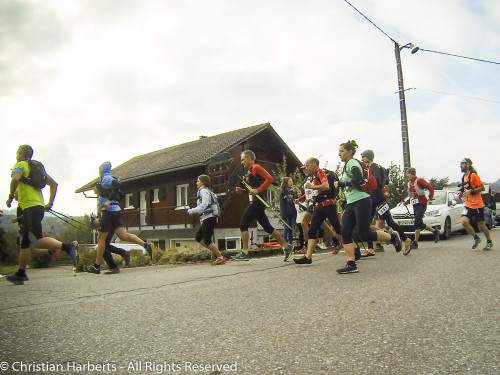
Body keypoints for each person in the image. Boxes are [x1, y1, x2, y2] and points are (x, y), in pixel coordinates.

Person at [5, 145, 77, 285]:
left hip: (30, 208)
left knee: (37, 240)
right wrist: (50, 203)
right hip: (38, 206)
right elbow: (54, 184)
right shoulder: (38, 168)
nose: (16, 155)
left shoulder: (19, 165)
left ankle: (68, 247)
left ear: (21, 154)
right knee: (25, 241)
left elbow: (15, 179)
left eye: (17, 153)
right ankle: (21, 273)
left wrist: (10, 197)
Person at [334, 141, 401, 274]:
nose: (339, 154)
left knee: (365, 233)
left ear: (349, 152)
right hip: (352, 202)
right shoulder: (347, 165)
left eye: (341, 151)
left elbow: (358, 178)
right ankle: (351, 263)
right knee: (345, 232)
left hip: (362, 200)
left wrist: (341, 183)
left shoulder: (352, 162)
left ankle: (391, 237)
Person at [83, 161, 152, 274]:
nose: (98, 172)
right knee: (123, 235)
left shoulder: (105, 179)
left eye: (99, 170)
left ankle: (96, 267)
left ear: (102, 170)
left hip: (109, 212)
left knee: (101, 240)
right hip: (117, 211)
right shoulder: (110, 177)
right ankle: (145, 244)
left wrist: (108, 201)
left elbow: (117, 185)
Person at [231, 150, 293, 261]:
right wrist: (243, 191)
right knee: (268, 228)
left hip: (259, 201)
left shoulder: (256, 167)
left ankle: (245, 252)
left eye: (243, 159)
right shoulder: (250, 172)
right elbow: (253, 189)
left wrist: (258, 190)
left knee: (243, 224)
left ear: (250, 158)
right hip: (257, 201)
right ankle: (287, 246)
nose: (241, 162)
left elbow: (270, 179)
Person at [360, 150, 412, 256]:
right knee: (367, 224)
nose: (362, 159)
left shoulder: (374, 168)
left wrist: (366, 183)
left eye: (364, 157)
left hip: (377, 199)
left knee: (389, 222)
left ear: (369, 157)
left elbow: (378, 182)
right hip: (373, 198)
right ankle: (370, 248)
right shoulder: (373, 168)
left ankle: (405, 239)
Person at [294, 158, 342, 265]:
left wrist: (312, 186)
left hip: (327, 205)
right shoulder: (312, 176)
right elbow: (311, 192)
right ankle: (308, 257)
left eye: (307, 165)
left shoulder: (320, 173)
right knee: (312, 230)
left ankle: (354, 248)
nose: (305, 168)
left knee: (338, 229)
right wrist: (302, 197)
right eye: (304, 166)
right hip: (318, 206)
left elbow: (326, 186)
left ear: (314, 164)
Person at [187, 174, 227, 265]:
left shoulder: (203, 191)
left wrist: (192, 210)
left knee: (207, 240)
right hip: (208, 217)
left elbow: (204, 205)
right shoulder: (209, 191)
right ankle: (214, 251)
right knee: (198, 238)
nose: (196, 183)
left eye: (198, 181)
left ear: (203, 182)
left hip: (209, 217)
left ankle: (220, 257)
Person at [458, 158, 493, 251]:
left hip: (477, 204)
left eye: (463, 164)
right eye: (460, 164)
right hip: (468, 204)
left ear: (468, 164)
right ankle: (476, 238)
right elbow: (465, 189)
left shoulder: (473, 175)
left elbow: (482, 188)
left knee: (481, 224)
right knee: (464, 222)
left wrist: (471, 191)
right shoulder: (463, 177)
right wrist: (461, 194)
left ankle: (489, 241)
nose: (461, 166)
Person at [405, 167, 440, 249]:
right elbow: (412, 195)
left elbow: (430, 188)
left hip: (422, 203)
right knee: (419, 223)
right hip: (415, 204)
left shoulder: (419, 180)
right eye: (407, 173)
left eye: (409, 173)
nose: (407, 175)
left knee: (416, 221)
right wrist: (407, 201)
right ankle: (435, 231)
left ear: (413, 174)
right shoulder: (409, 183)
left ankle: (415, 242)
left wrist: (430, 198)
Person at [279, 177, 297, 246]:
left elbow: (294, 202)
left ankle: (290, 243)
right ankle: (285, 244)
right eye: (290, 181)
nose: (292, 183)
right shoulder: (282, 193)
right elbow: (282, 204)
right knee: (286, 228)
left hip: (292, 213)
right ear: (286, 183)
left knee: (290, 229)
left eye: (292, 181)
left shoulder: (292, 192)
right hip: (286, 213)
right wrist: (283, 214)